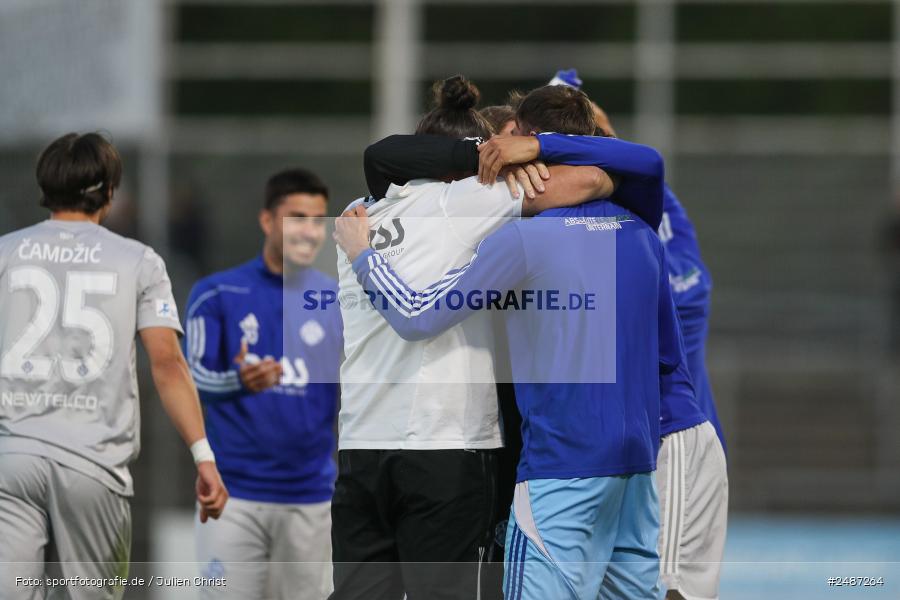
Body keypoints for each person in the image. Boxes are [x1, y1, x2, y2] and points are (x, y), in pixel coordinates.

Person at [335, 84, 677, 600]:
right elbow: (616, 171)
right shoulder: (640, 231)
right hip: (633, 459)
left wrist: (364, 256)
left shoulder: (359, 214)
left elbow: (417, 311)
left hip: (539, 461)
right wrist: (553, 159)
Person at [0, 132, 228, 600]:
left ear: (46, 187)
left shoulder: (6, 252)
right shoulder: (138, 261)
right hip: (93, 460)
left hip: (13, 457)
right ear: (108, 191)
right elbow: (167, 364)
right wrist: (203, 455)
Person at [587, 95, 729, 600]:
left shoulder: (643, 223)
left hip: (672, 443)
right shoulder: (618, 224)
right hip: (639, 448)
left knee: (666, 590)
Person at [186, 168, 342, 600]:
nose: (310, 231)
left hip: (312, 499)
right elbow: (190, 381)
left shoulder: (339, 300)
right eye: (297, 217)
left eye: (317, 220)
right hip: (233, 498)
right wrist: (238, 381)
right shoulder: (217, 293)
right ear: (267, 221)